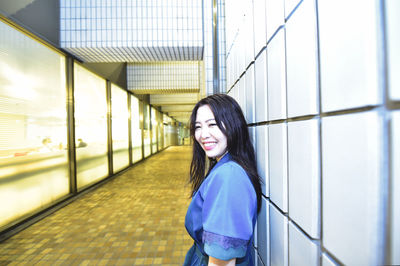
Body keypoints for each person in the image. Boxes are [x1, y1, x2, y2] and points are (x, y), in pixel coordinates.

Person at [184, 94, 262, 266]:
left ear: (233, 125)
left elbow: (222, 261)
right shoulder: (226, 165)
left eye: (212, 124)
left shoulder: (229, 176)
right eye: (198, 127)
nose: (203, 135)